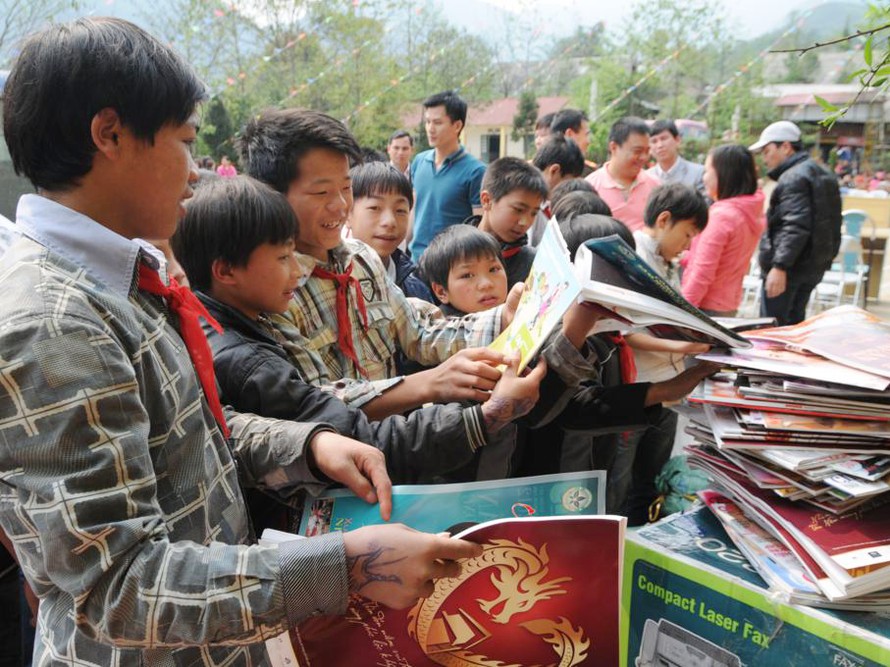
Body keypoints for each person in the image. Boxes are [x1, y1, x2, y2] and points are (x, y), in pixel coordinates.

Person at [0, 18, 483, 666]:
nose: (195, 174)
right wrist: (343, 565)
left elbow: (184, 429)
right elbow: (114, 589)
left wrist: (303, 443)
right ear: (110, 135)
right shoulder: (54, 323)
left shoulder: (119, 277)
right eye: (184, 143)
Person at [171, 176, 544, 495]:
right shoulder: (247, 352)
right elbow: (348, 430)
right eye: (284, 260)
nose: (294, 273)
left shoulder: (354, 263)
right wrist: (484, 416)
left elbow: (417, 329)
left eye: (345, 188)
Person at [239, 108, 517, 420]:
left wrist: (504, 318)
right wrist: (430, 383)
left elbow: (418, 333)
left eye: (346, 188)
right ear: (273, 195)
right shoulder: (273, 292)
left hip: (398, 441)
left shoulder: (362, 260)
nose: (340, 205)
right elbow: (316, 400)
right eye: (321, 192)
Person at [616, 182, 710, 524]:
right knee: (624, 483)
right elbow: (627, 333)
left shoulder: (665, 261)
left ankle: (643, 539)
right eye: (687, 235)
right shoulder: (634, 256)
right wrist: (684, 346)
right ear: (665, 219)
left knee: (650, 479)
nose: (687, 246)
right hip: (641, 385)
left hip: (667, 385)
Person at [750, 120, 842, 325]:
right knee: (794, 327)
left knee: (772, 331)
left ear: (785, 147)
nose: (765, 158)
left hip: (789, 270)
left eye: (767, 150)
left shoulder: (793, 178)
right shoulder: (824, 173)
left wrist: (780, 266)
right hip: (812, 267)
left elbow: (795, 225)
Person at [682, 144, 765, 316]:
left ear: (724, 174)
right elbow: (726, 260)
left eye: (707, 171)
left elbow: (702, 273)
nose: (704, 178)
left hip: (705, 305)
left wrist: (683, 312)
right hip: (728, 304)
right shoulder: (749, 210)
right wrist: (685, 258)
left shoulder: (722, 216)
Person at [409, 90, 486, 259]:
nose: (430, 128)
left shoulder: (476, 171)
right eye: (427, 122)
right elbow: (414, 211)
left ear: (457, 126)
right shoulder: (419, 162)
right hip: (416, 260)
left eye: (437, 122)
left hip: (451, 263)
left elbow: (479, 226)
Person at [346, 161, 433, 301]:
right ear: (347, 214)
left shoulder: (416, 290)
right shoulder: (332, 286)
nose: (390, 222)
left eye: (400, 210)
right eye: (375, 208)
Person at [462, 157, 549, 287]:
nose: (525, 222)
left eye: (534, 213)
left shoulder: (535, 265)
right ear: (486, 200)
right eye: (518, 210)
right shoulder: (452, 251)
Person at [586, 117, 661, 232]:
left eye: (647, 151)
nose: (644, 157)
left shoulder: (656, 186)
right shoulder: (590, 187)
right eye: (638, 151)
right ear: (614, 147)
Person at [527, 135, 586, 246]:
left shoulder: (547, 204)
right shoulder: (528, 201)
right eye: (568, 182)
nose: (569, 189)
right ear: (554, 171)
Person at [647, 119, 706, 196]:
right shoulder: (645, 178)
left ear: (677, 140)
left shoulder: (698, 173)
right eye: (654, 141)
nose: (659, 145)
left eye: (664, 138)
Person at [549, 108, 595, 174]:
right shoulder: (588, 174)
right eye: (586, 134)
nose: (588, 141)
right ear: (569, 134)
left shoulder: (540, 169)